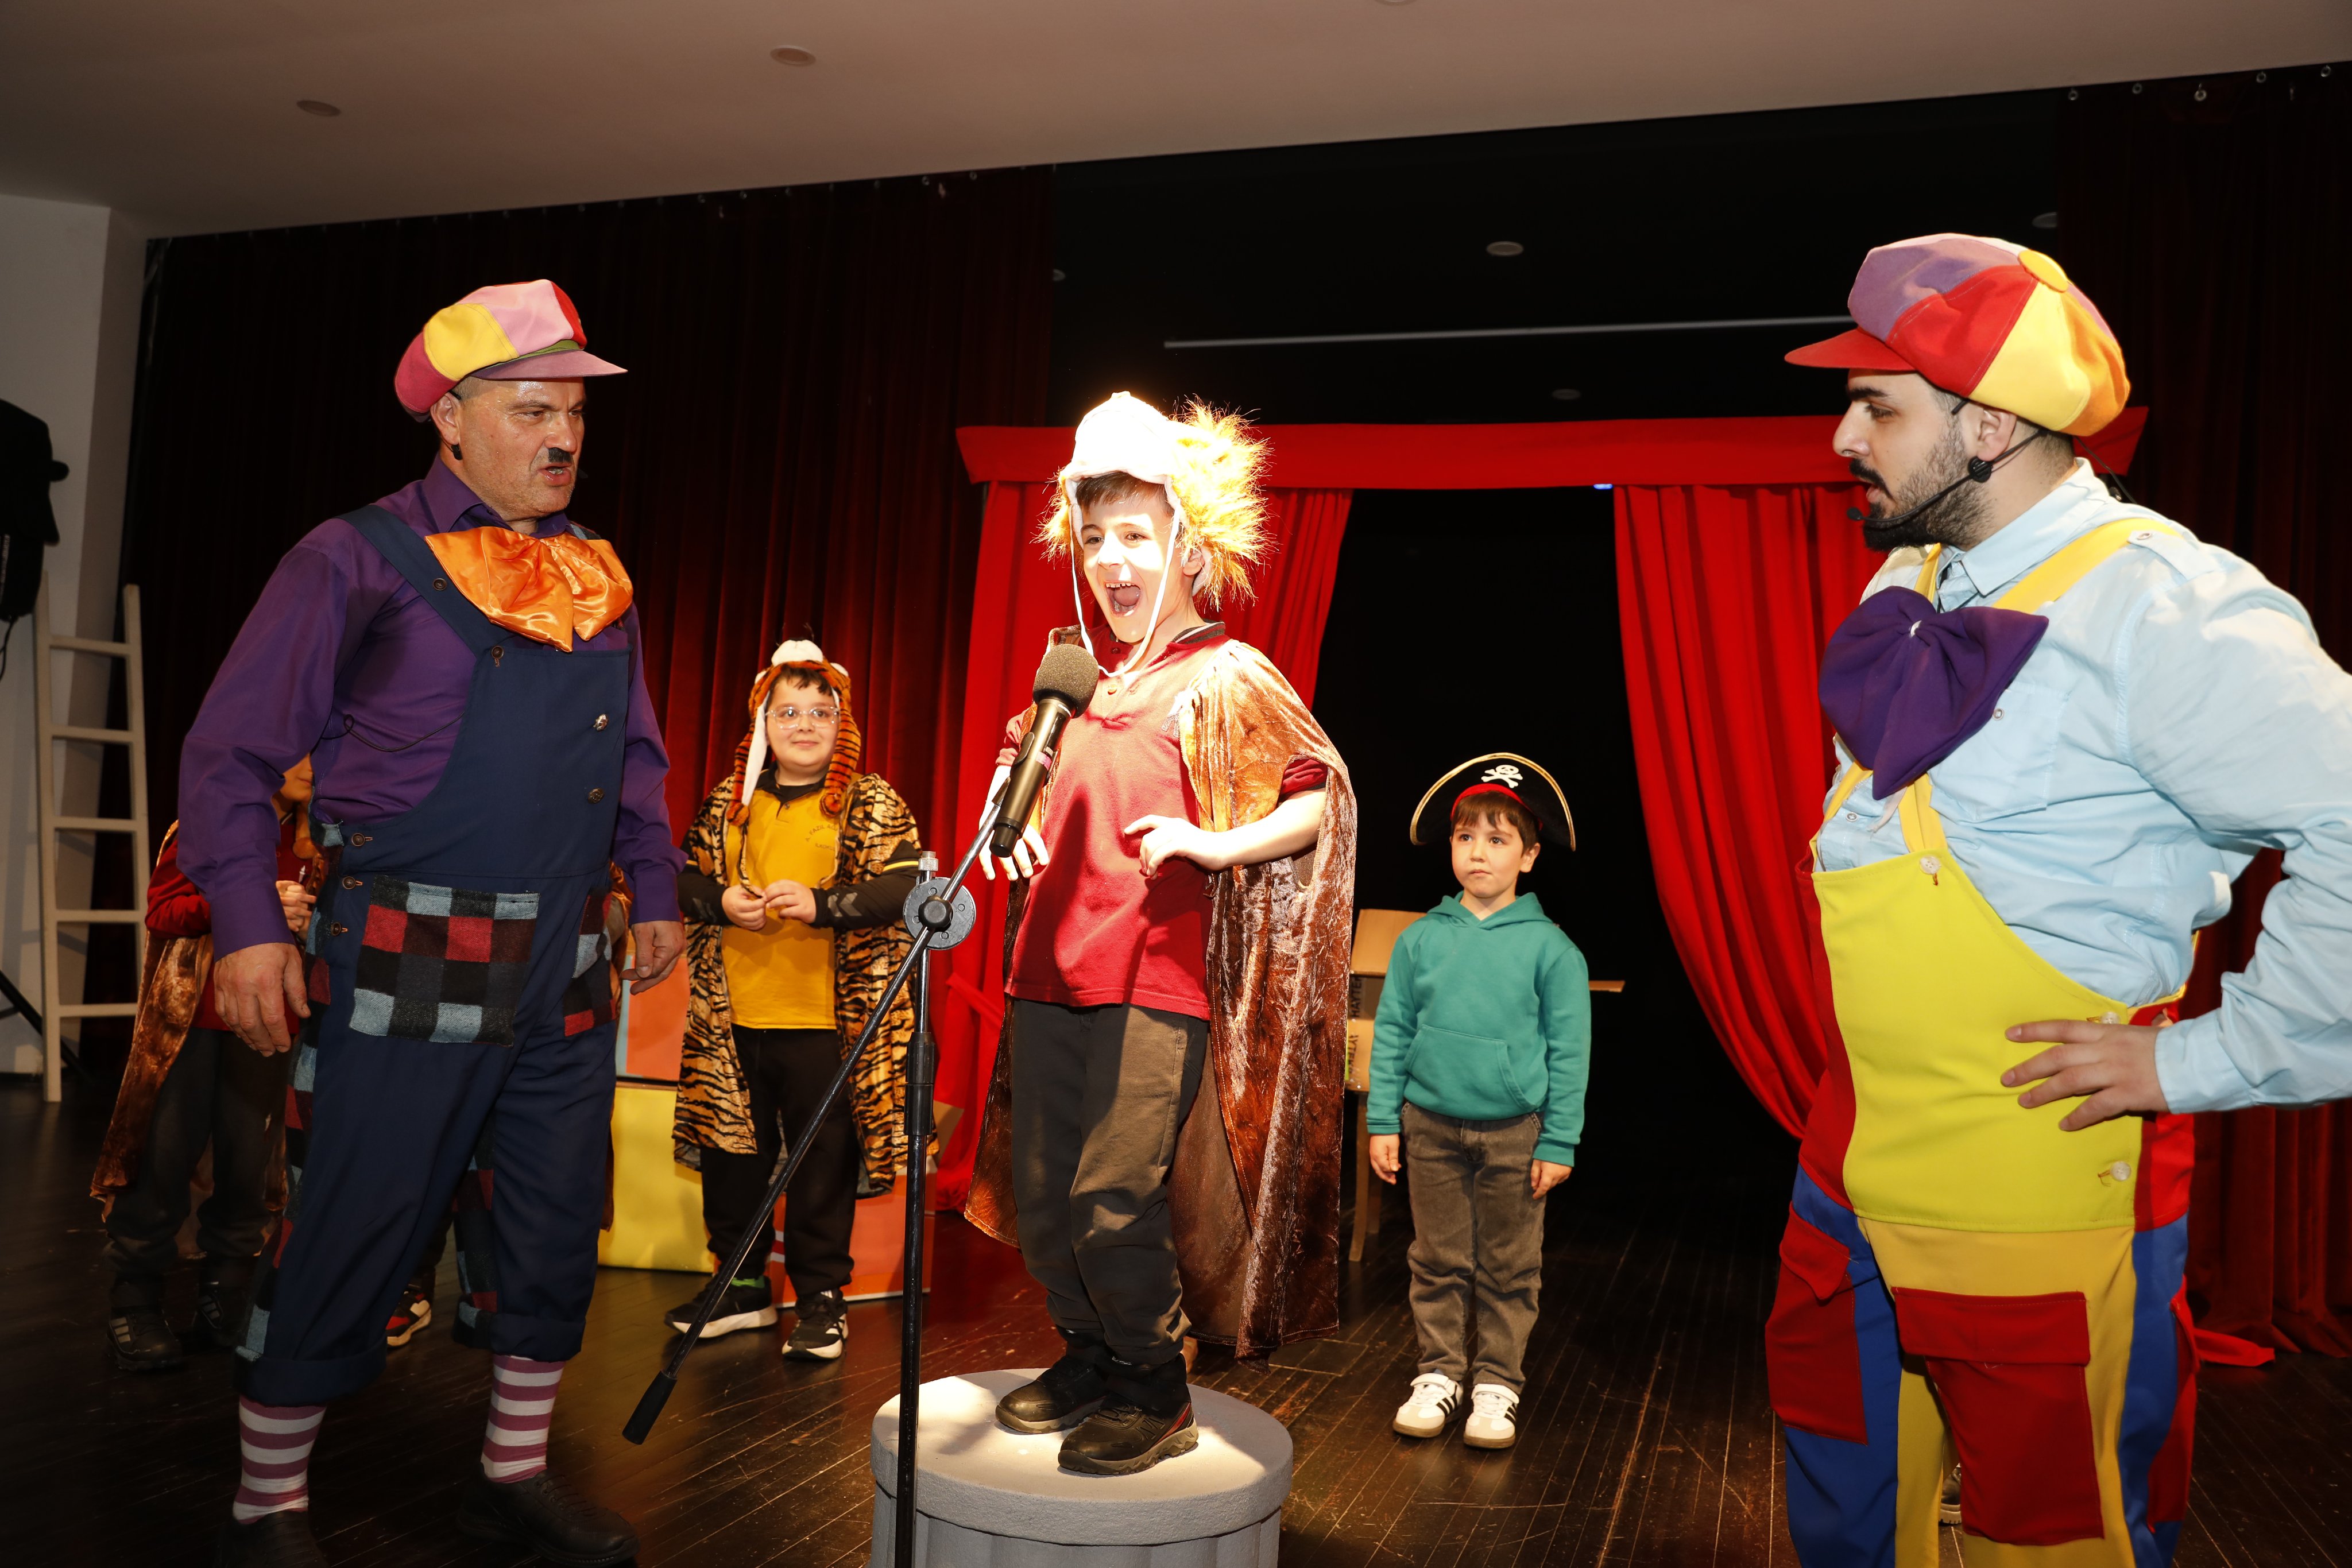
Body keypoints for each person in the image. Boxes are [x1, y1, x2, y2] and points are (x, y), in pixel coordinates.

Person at [1771, 234, 2352, 1567]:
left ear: (1987, 425)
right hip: (1848, 1153)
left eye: (1875, 407)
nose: (1843, 437)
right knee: (1842, 1485)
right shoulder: (1909, 575)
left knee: (2055, 1524)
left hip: (2044, 1173)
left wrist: (2208, 1057)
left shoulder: (2167, 608)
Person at [176, 279, 684, 1568]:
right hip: (406, 946)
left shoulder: (597, 574)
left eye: (575, 413)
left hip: (568, 960)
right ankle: (266, 1507)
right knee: (357, 1214)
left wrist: (656, 883)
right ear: (450, 418)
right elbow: (232, 754)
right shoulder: (351, 558)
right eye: (532, 410)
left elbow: (634, 756)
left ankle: (509, 1479)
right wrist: (248, 924)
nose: (563, 437)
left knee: (552, 1221)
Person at [964, 393, 1358, 1476]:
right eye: (1094, 537)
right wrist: (1005, 812)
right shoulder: (1077, 677)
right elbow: (1016, 770)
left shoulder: (1223, 673)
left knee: (1112, 1195)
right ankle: (1089, 1353)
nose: (1111, 560)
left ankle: (1153, 1380)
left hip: (1154, 978)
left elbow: (1321, 796)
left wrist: (1213, 843)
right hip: (1047, 970)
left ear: (1189, 540)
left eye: (1135, 534)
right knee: (1045, 1195)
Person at [667, 640, 924, 1360]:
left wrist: (823, 904)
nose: (804, 724)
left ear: (842, 723)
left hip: (828, 1024)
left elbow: (905, 889)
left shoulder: (871, 801)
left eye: (820, 712)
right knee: (731, 1158)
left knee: (821, 1166)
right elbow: (683, 880)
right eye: (788, 712)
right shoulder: (731, 801)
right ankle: (742, 1289)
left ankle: (820, 1299)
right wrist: (721, 900)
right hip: (732, 1022)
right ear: (763, 723)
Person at [1367, 755, 1588, 1452]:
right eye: (1466, 837)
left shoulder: (1553, 950)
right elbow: (1393, 1031)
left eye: (1497, 839)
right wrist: (1383, 1120)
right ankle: (1438, 1372)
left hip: (1515, 1133)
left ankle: (1497, 1382)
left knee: (1509, 1265)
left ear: (1529, 855)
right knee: (1435, 1258)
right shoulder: (1420, 939)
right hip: (1429, 1126)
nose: (1478, 852)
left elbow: (1570, 1052)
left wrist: (1558, 1139)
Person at [91, 760, 322, 1372]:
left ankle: (226, 1293)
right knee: (162, 1159)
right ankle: (135, 1299)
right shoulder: (210, 823)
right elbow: (163, 913)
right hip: (192, 1021)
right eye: (299, 749)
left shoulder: (322, 840)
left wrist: (311, 922)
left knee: (250, 1168)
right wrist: (249, 905)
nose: (311, 765)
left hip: (272, 1024)